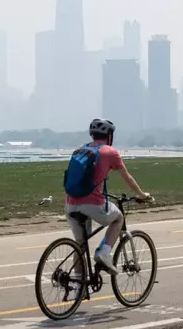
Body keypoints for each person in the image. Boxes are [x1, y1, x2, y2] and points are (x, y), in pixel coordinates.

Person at [65, 118, 153, 276]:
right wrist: (142, 195)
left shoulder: (80, 150)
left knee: (80, 246)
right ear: (109, 136)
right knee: (118, 218)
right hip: (92, 203)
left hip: (70, 203)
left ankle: (78, 288)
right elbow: (128, 179)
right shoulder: (110, 152)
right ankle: (104, 253)